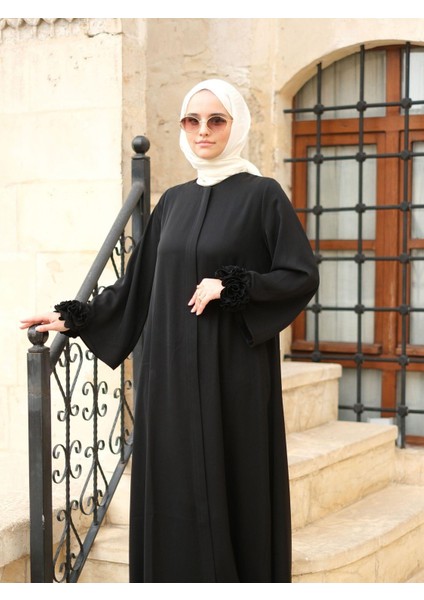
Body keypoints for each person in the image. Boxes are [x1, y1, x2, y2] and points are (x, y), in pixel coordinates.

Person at [20, 79, 319, 583]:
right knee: (175, 488)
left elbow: (299, 274)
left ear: (236, 125)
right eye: (192, 120)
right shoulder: (174, 202)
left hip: (232, 375)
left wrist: (234, 285)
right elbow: (137, 284)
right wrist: (76, 317)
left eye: (216, 120)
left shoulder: (262, 195)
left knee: (232, 485)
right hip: (171, 377)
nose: (203, 130)